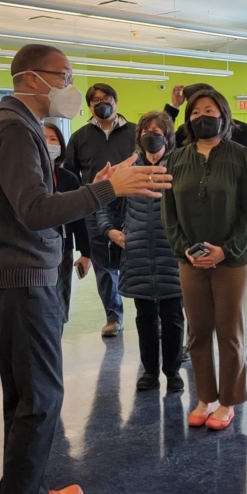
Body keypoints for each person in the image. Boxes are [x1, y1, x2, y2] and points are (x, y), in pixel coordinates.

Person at [0, 44, 172, 494]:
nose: (73, 88)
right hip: (19, 278)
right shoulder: (15, 129)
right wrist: (107, 190)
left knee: (26, 395)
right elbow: (35, 210)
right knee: (39, 398)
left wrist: (98, 184)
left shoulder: (17, 126)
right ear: (32, 78)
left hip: (14, 274)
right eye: (65, 76)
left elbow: (32, 201)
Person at [162, 88, 247, 431]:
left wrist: (226, 250)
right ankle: (205, 397)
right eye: (195, 112)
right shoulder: (176, 158)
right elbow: (168, 211)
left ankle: (228, 401)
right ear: (188, 119)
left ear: (223, 115)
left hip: (231, 261)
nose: (202, 116)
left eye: (210, 110)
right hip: (190, 261)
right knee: (198, 332)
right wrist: (184, 249)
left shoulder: (240, 155)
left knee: (229, 333)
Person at [98, 111, 184, 393]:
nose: (151, 134)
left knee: (173, 318)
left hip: (172, 255)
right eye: (146, 130)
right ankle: (149, 372)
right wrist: (110, 230)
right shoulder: (128, 169)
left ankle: (172, 372)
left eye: (157, 130)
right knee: (145, 318)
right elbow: (104, 203)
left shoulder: (181, 167)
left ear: (168, 136)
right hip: (137, 256)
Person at [64, 83, 136, 338]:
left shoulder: (134, 132)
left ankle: (152, 314)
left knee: (139, 261)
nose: (102, 103)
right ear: (89, 106)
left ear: (116, 101)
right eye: (96, 100)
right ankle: (113, 317)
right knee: (104, 267)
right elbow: (70, 176)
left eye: (107, 98)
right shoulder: (79, 137)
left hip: (131, 207)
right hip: (95, 208)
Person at [44, 122, 91, 323]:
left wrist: (86, 253)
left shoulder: (69, 178)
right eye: (43, 138)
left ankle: (57, 337)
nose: (48, 143)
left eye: (53, 139)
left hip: (63, 248)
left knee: (60, 304)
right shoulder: (27, 178)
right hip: (36, 251)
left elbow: (79, 217)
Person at [165, 83, 247, 171]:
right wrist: (174, 106)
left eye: (208, 110)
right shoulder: (185, 131)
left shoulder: (244, 131)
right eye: (196, 111)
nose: (202, 116)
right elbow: (164, 142)